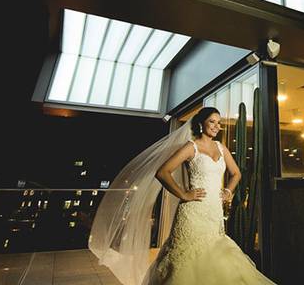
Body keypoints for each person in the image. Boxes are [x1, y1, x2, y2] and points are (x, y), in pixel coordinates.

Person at [88, 107, 277, 285]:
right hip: (192, 212)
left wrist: (228, 191)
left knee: (213, 257)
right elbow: (163, 172)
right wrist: (184, 194)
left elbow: (236, 173)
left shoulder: (221, 148)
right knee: (185, 258)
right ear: (201, 123)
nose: (217, 126)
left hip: (214, 212)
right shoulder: (191, 147)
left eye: (219, 123)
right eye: (212, 121)